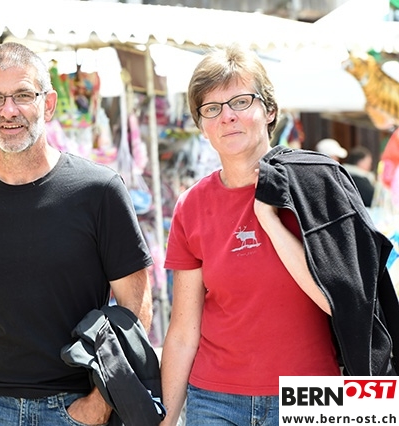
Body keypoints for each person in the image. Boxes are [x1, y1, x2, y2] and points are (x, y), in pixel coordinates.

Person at [0, 42, 154, 426]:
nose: (8, 110)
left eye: (23, 95)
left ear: (49, 104)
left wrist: (99, 404)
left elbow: (136, 305)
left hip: (73, 407)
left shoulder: (99, 191)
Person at [160, 44, 399, 426]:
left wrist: (270, 220)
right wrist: (166, 419)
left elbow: (344, 302)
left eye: (241, 101)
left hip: (311, 397)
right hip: (215, 400)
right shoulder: (191, 205)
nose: (227, 116)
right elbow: (183, 332)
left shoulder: (315, 185)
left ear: (269, 110)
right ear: (202, 125)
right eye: (212, 108)